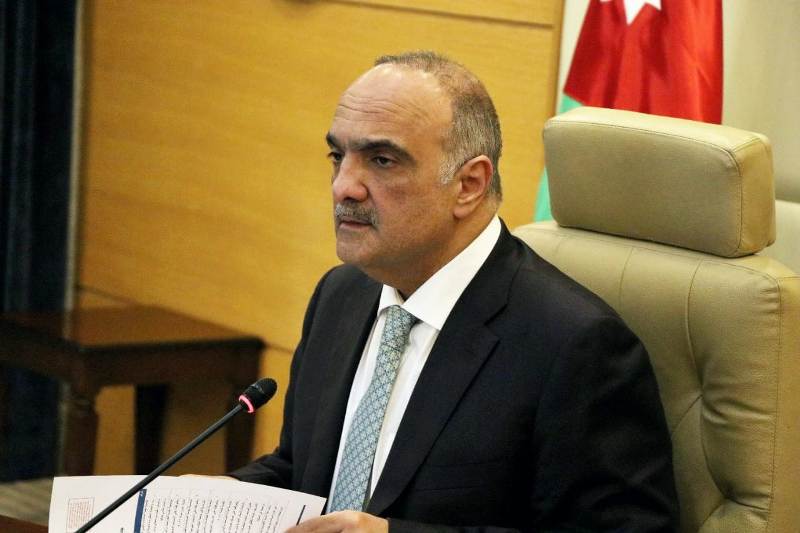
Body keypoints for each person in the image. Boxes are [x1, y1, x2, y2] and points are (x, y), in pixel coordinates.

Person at [230, 51, 678, 532]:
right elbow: (303, 473)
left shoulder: (575, 344)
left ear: (468, 184)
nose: (344, 187)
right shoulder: (341, 295)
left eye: (381, 161)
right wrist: (211, 497)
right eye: (338, 157)